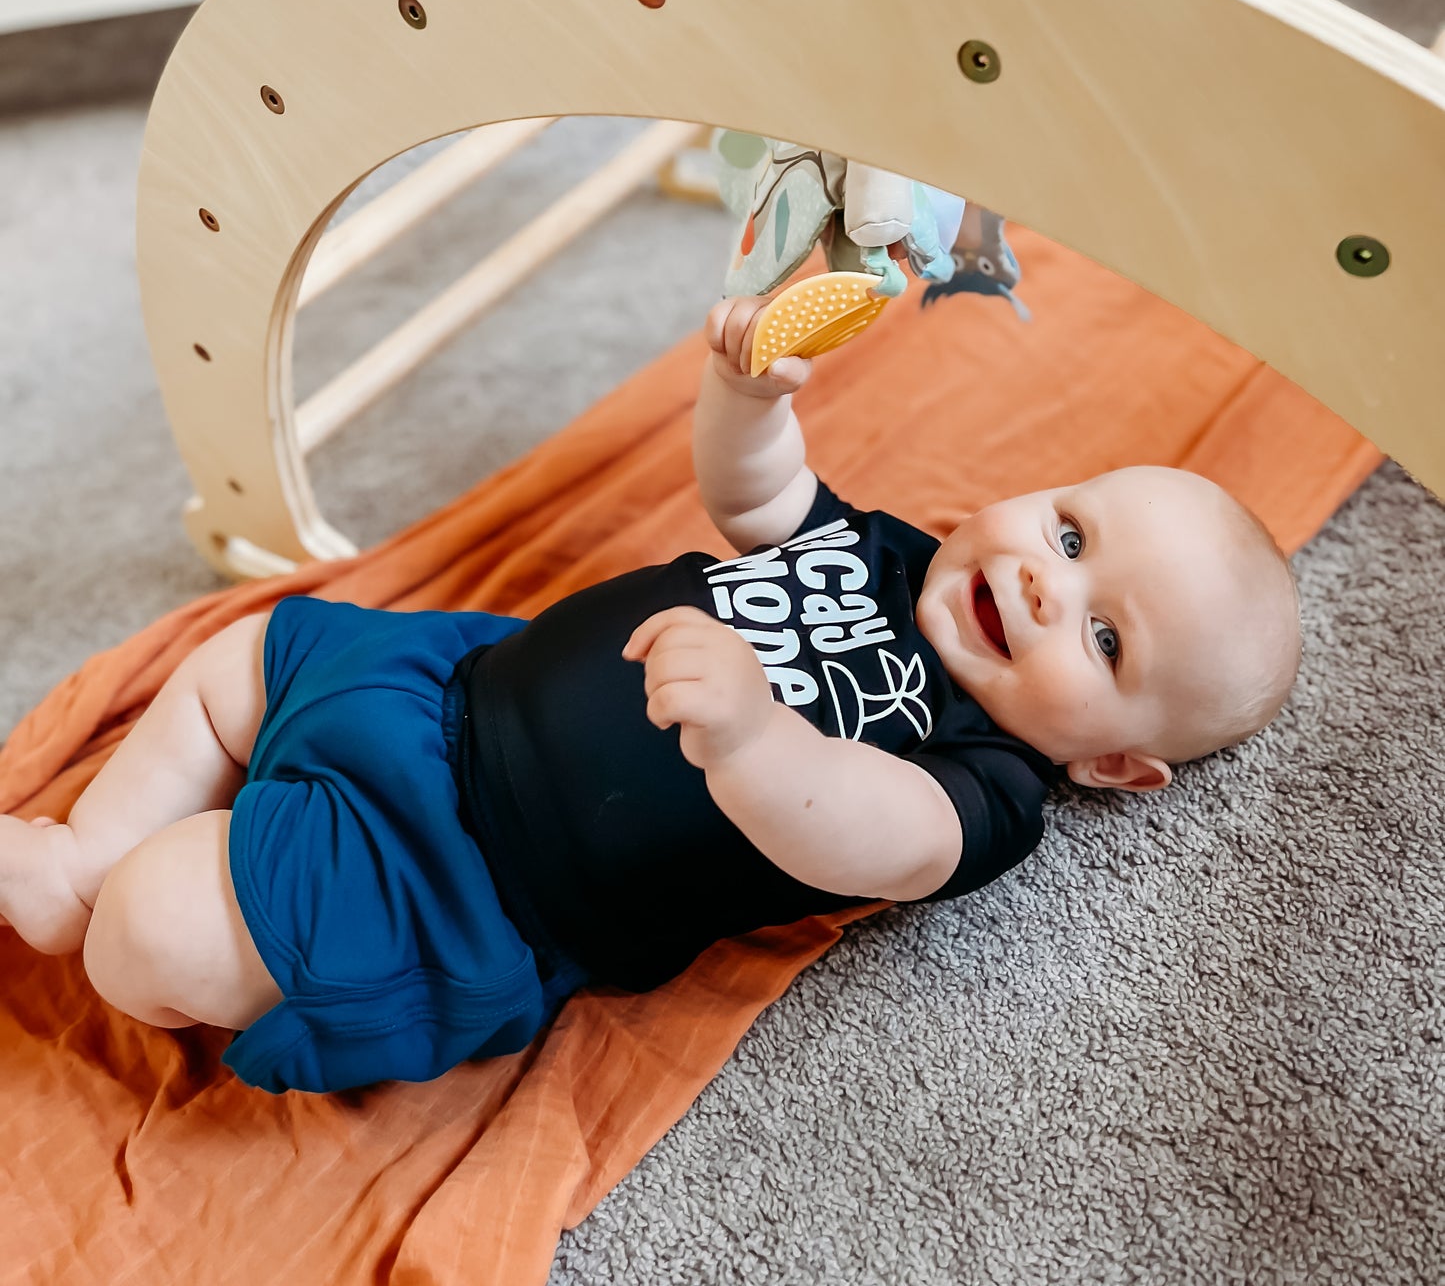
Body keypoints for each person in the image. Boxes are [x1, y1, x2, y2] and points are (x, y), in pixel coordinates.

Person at [0, 297, 1300, 1095]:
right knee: (248, 660)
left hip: (476, 882)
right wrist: (744, 399)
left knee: (155, 933)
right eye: (1069, 536)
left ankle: (129, 902)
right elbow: (752, 499)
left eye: (1107, 639)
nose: (1036, 586)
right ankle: (82, 855)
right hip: (450, 687)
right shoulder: (891, 555)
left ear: (1116, 766)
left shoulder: (986, 784)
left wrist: (747, 737)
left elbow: (868, 834)